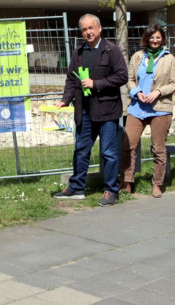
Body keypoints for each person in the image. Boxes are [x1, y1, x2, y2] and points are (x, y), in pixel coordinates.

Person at [54, 14, 128, 206]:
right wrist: (65, 100)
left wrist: (97, 84)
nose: (88, 32)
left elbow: (122, 76)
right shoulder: (78, 52)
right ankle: (76, 187)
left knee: (109, 153)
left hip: (107, 112)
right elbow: (71, 79)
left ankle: (111, 190)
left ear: (100, 28)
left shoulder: (111, 50)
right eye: (84, 29)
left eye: (91, 28)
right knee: (81, 150)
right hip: (84, 111)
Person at [120, 25, 175, 198]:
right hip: (137, 108)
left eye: (158, 38)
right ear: (146, 38)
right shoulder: (137, 56)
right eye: (152, 37)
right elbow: (129, 80)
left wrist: (158, 92)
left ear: (163, 39)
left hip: (160, 109)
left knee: (158, 148)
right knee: (128, 146)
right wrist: (136, 92)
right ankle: (127, 181)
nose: (155, 40)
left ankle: (157, 184)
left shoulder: (169, 59)